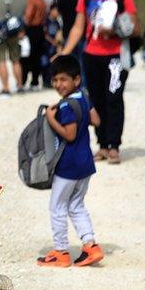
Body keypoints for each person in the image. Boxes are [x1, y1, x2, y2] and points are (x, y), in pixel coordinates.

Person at [59, 0, 139, 165]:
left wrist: (112, 30)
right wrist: (65, 51)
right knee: (95, 101)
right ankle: (102, 144)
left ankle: (114, 145)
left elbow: (134, 27)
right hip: (91, 55)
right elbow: (79, 26)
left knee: (113, 99)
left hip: (115, 57)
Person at [36, 55, 105, 268]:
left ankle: (61, 251)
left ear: (76, 79)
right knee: (76, 206)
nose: (58, 84)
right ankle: (90, 246)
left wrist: (50, 118)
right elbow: (96, 120)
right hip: (85, 164)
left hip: (68, 166)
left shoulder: (65, 107)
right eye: (55, 80)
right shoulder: (82, 96)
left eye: (63, 80)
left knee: (57, 207)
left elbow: (70, 134)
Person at [0, 0, 26, 97]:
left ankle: (6, 88)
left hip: (1, 32)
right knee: (16, 60)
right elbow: (24, 16)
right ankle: (20, 85)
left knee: (2, 61)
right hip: (15, 32)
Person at [54, 0, 85, 86]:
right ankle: (83, 84)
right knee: (82, 62)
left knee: (70, 63)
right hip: (82, 32)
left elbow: (58, 12)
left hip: (68, 33)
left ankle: (72, 85)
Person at [22, 0, 47, 90]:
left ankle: (23, 80)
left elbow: (28, 16)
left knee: (26, 56)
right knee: (37, 57)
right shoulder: (42, 0)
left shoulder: (31, 0)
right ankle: (35, 81)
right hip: (40, 29)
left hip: (31, 29)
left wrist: (23, 26)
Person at [42, 3, 62, 87]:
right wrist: (52, 41)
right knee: (45, 64)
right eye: (56, 10)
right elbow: (45, 33)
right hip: (46, 46)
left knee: (53, 64)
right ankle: (45, 81)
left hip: (54, 47)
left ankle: (51, 81)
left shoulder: (57, 22)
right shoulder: (46, 20)